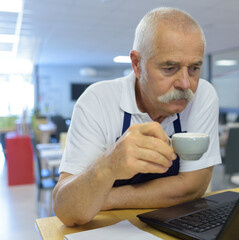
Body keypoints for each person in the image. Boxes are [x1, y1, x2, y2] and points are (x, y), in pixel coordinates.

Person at [53, 7, 221, 226]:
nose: (185, 84)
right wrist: (108, 165)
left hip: (173, 225)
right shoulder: (97, 101)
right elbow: (68, 210)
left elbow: (193, 187)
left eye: (194, 68)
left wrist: (105, 198)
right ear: (137, 65)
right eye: (170, 68)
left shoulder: (203, 95)